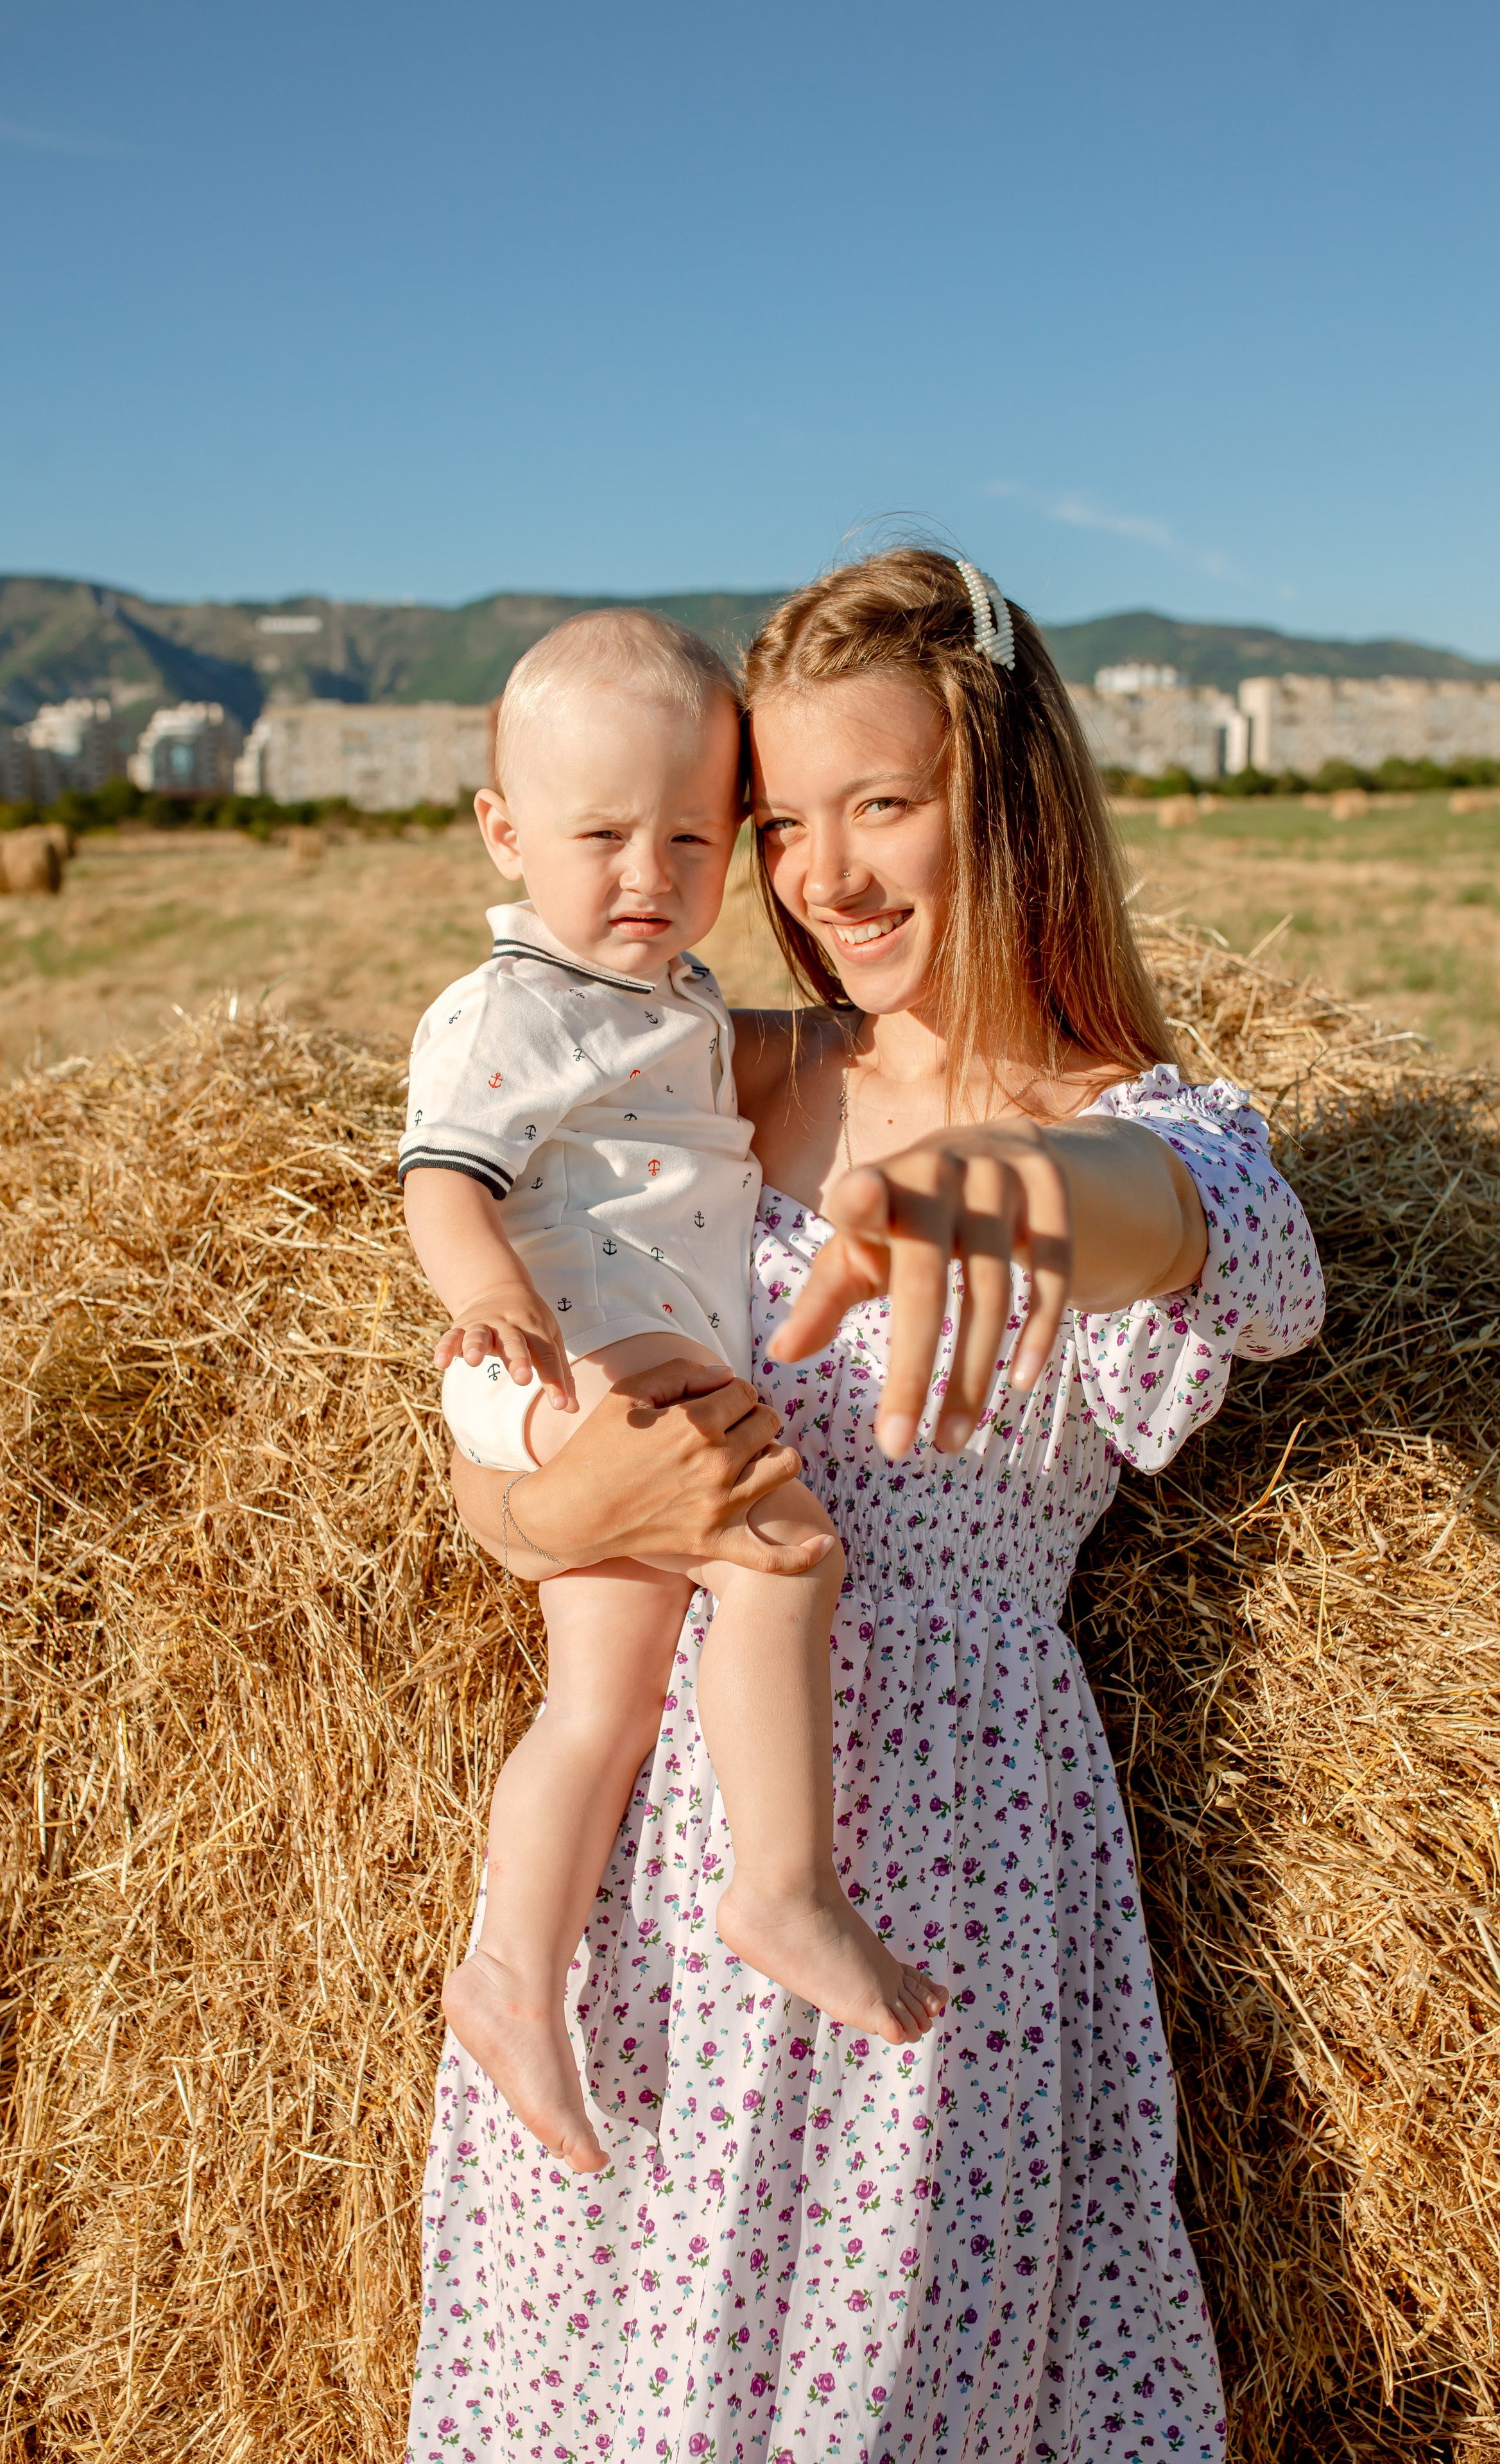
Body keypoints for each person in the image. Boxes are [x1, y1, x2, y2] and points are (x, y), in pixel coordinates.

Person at [406, 551, 1324, 2463]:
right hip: (651, 1863)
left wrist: (1019, 1188)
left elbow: (1233, 1244)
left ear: (1011, 800)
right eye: (781, 823)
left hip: (936, 1864)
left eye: (882, 803)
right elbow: (508, 1450)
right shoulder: (701, 1064)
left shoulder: (1141, 1133)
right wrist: (560, 1506)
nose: (823, 875)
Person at [401, 609, 946, 2175]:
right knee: (783, 1558)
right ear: (505, 833)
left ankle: (511, 1975)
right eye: (600, 837)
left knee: (603, 1699)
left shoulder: (678, 1002)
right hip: (581, 1354)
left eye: (693, 837)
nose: (648, 873)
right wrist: (487, 1298)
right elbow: (441, 1178)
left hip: (615, 1358)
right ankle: (781, 1887)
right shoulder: (511, 1009)